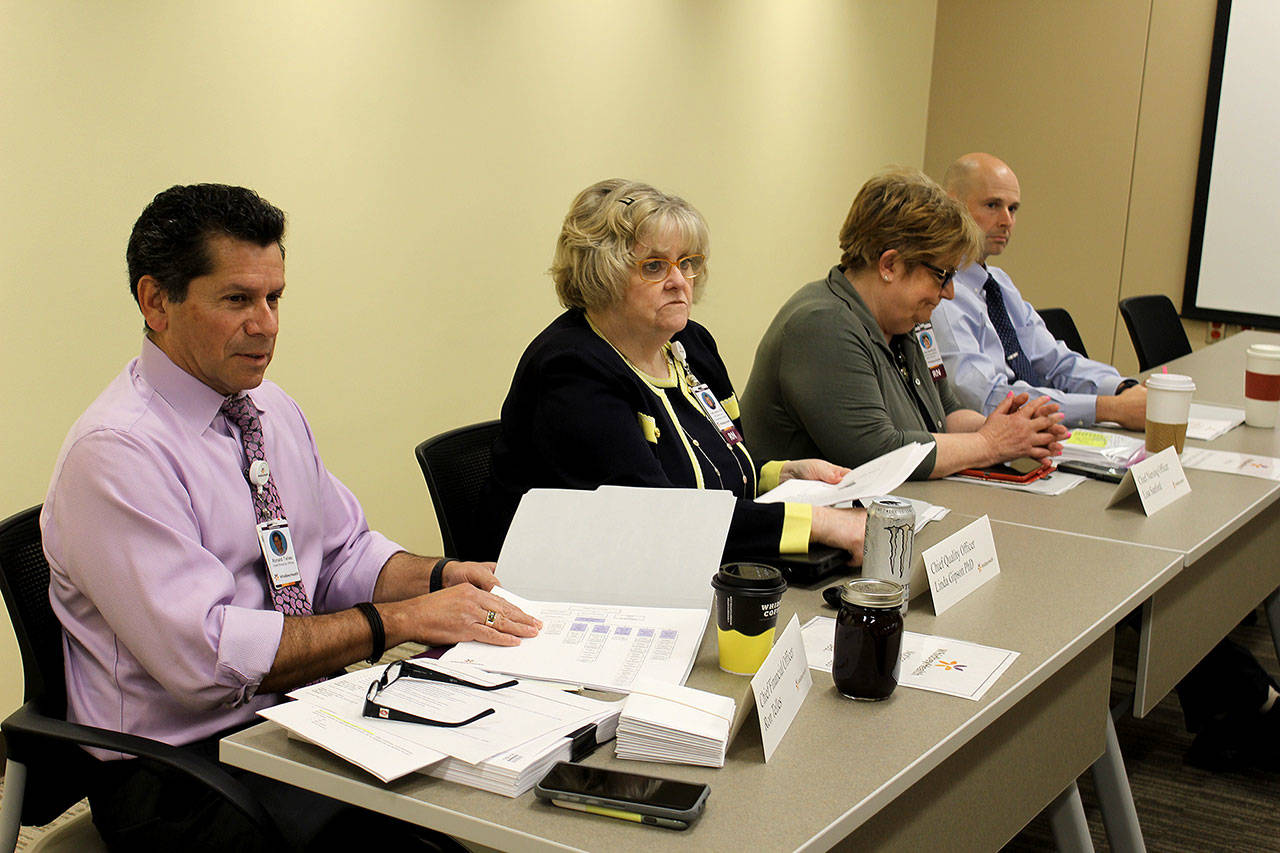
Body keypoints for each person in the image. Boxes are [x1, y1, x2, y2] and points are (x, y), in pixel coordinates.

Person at [41, 184, 541, 850]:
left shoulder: (267, 408)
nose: (267, 324)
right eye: (238, 299)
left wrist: (448, 577)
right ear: (156, 301)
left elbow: (340, 552)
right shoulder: (118, 453)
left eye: (274, 298)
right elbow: (210, 659)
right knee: (415, 843)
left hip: (296, 719)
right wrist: (397, 622)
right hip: (180, 774)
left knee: (482, 791)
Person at [482, 178, 866, 563]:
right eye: (654, 266)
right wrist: (821, 523)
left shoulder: (692, 345)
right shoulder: (572, 370)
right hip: (567, 588)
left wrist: (778, 476)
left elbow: (704, 468)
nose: (679, 282)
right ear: (601, 274)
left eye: (687, 263)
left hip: (685, 571)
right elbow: (659, 518)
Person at [741, 168, 1068, 481]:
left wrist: (1014, 432)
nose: (950, 293)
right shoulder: (821, 325)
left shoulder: (906, 322)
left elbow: (947, 415)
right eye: (943, 275)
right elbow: (878, 453)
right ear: (890, 265)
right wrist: (990, 444)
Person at [931, 152, 1147, 429]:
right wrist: (1107, 408)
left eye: (1013, 209)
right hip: (991, 435)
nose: (1006, 221)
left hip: (1033, 430)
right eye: (992, 205)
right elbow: (989, 398)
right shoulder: (942, 292)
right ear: (953, 205)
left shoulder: (998, 283)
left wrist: (1122, 389)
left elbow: (1054, 361)